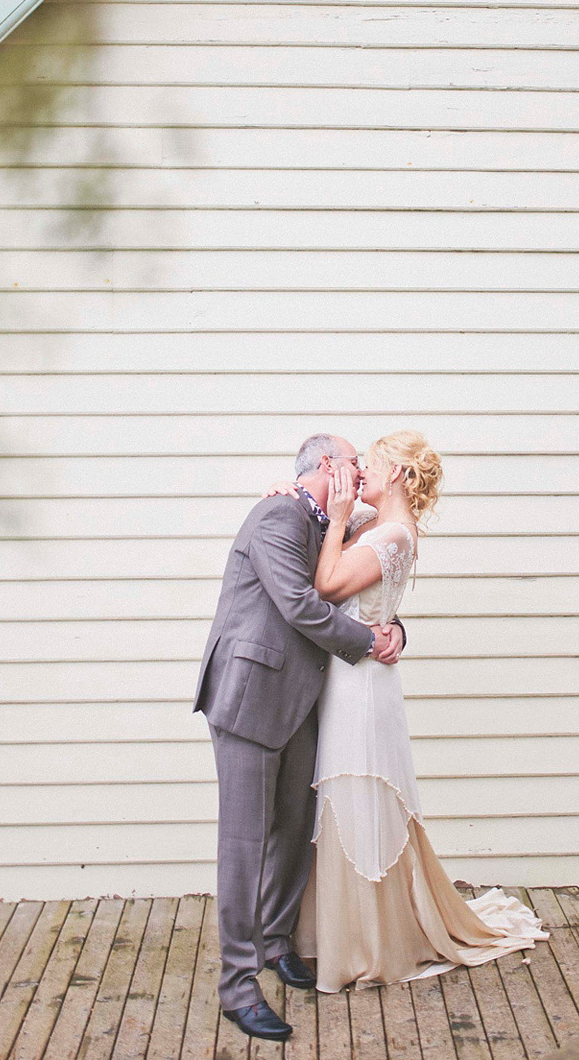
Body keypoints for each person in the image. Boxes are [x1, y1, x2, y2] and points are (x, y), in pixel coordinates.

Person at [267, 429, 547, 991]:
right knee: (338, 804)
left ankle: (370, 941)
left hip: (363, 689)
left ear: (395, 473)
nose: (359, 473)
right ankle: (338, 931)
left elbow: (324, 585)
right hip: (346, 680)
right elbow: (351, 580)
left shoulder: (393, 534)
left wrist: (342, 512)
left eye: (368, 464)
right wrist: (299, 496)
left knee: (356, 800)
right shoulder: (374, 526)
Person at [192, 434, 406, 1041]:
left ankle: (274, 941)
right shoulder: (276, 515)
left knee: (295, 826)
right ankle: (237, 987)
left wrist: (392, 630)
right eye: (354, 460)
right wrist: (368, 645)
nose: (362, 469)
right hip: (249, 698)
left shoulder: (333, 521)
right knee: (244, 843)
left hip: (301, 702)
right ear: (327, 467)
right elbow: (298, 603)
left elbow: (359, 584)